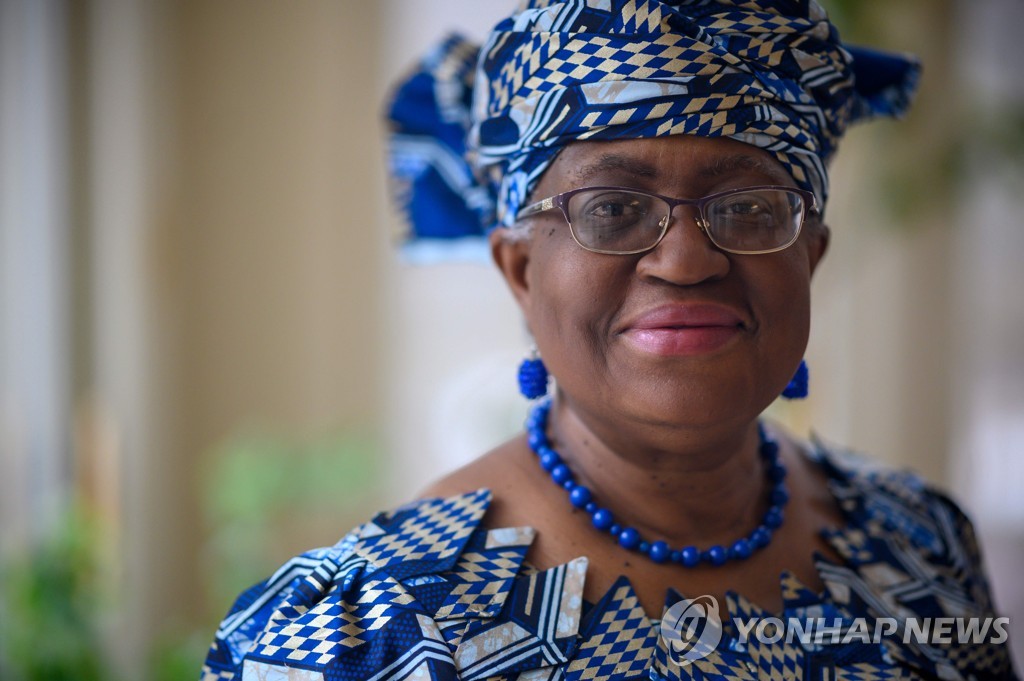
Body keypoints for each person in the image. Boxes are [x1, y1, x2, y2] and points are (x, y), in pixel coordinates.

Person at [200, 2, 1016, 679]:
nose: (688, 259)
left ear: (811, 252)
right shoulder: (361, 635)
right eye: (612, 209)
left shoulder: (921, 544)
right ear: (520, 272)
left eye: (748, 206)